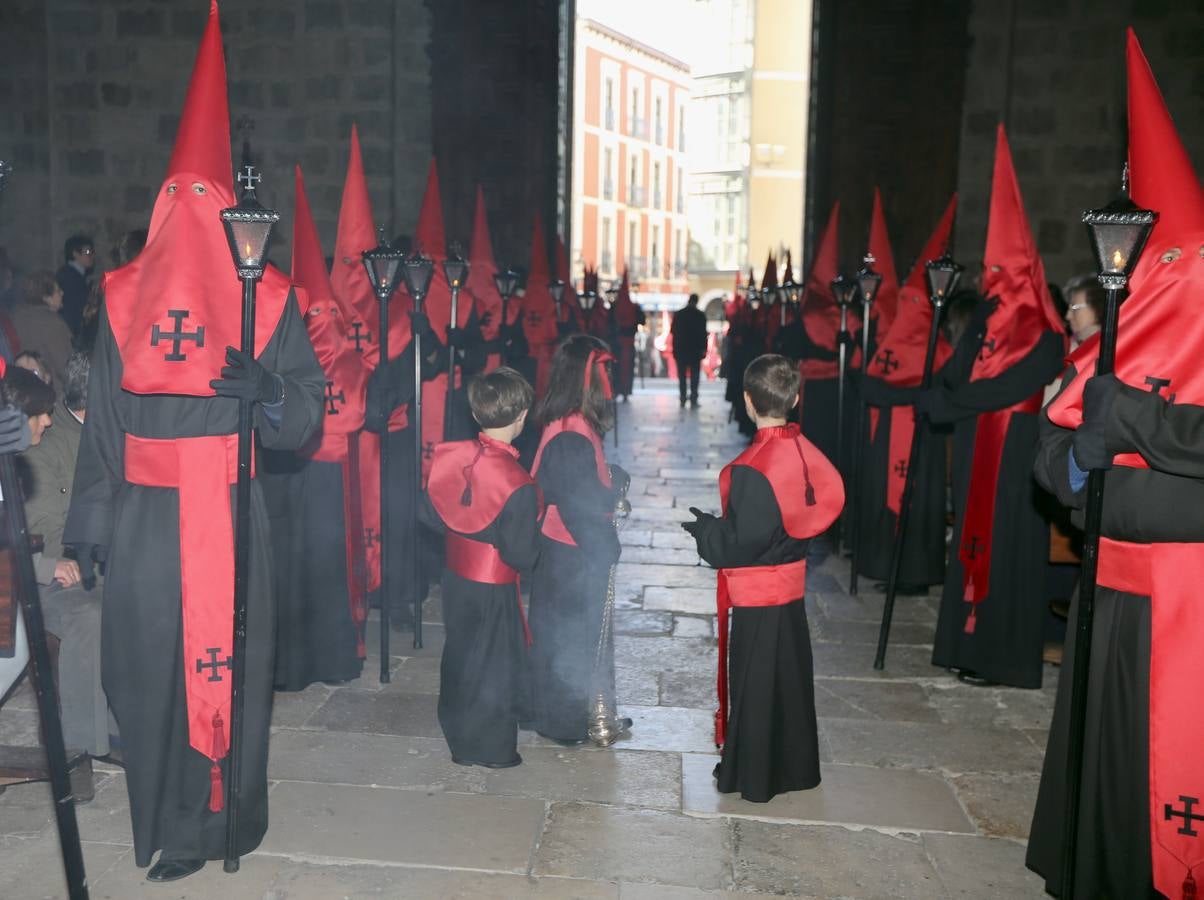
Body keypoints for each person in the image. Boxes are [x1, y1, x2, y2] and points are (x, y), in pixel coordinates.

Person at [62, 4, 324, 881]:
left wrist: (269, 393)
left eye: (199, 195)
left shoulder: (271, 298)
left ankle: (218, 824)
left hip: (229, 507)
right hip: (142, 521)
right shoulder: (123, 299)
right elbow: (103, 419)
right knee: (147, 676)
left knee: (229, 671)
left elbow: (310, 414)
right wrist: (88, 528)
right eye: (175, 195)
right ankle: (168, 818)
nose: (186, 206)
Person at [1027, 29, 1204, 899]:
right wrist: (1081, 458)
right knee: (1108, 752)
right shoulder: (1107, 346)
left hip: (1188, 594)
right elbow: (1052, 454)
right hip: (1111, 579)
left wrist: (1130, 416)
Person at [922, 125, 1065, 689]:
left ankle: (1003, 658)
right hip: (977, 450)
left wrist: (949, 405)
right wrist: (938, 394)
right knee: (971, 548)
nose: (992, 280)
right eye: (990, 271)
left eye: (1003, 271)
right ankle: (966, 645)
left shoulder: (1044, 333)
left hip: (1015, 461)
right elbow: (957, 370)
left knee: (1005, 551)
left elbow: (1009, 390)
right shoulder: (982, 319)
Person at [683, 354, 843, 802]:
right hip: (791, 595)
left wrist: (707, 531)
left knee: (755, 684)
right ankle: (794, 767)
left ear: (748, 401)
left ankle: (754, 775)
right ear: (795, 398)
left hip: (759, 599)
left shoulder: (755, 468)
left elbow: (740, 544)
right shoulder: (806, 455)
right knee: (788, 683)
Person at [260, 166, 370, 692]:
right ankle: (319, 659)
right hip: (306, 473)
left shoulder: (287, 339)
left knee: (305, 566)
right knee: (309, 567)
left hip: (302, 474)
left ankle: (300, 662)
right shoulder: (325, 347)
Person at [422, 368, 540, 767]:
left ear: (476, 414)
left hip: (455, 579)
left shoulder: (450, 456)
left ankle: (458, 735)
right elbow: (522, 554)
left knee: (460, 654)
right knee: (494, 666)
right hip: (494, 586)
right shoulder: (517, 481)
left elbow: (430, 514)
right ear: (522, 415)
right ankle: (490, 749)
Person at [528, 335, 628, 744]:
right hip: (568, 553)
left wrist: (611, 484)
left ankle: (584, 713)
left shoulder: (574, 423)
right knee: (567, 638)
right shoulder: (570, 431)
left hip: (571, 550)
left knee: (582, 636)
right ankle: (565, 722)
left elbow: (586, 486)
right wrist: (605, 547)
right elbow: (574, 504)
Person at [853, 198, 956, 593]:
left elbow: (930, 391)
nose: (909, 307)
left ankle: (913, 573)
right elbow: (871, 383)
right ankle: (886, 565)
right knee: (883, 494)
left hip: (922, 440)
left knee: (918, 501)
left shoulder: (940, 348)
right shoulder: (892, 342)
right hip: (889, 437)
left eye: (917, 301)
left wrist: (889, 394)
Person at [16, 356, 112, 759]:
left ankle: (134, 723)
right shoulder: (41, 449)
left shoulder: (109, 434)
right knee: (87, 613)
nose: (48, 421)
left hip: (92, 564)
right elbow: (39, 530)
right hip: (40, 574)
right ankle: (80, 748)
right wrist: (47, 564)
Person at [10, 271, 73, 390]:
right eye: (58, 290)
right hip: (53, 392)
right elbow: (64, 366)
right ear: (47, 298)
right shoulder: (53, 323)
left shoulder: (17, 315)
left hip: (24, 389)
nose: (62, 293)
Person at [54, 234, 94, 338]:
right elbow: (73, 310)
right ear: (76, 254)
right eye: (87, 252)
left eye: (92, 252)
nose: (92, 256)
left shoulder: (74, 275)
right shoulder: (69, 276)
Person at [672, 294, 708, 409]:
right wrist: (704, 350)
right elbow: (703, 335)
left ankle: (683, 398)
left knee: (682, 376)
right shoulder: (700, 315)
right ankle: (693, 398)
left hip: (681, 350)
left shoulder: (679, 314)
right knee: (695, 376)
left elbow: (674, 333)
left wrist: (675, 349)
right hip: (695, 351)